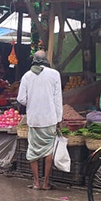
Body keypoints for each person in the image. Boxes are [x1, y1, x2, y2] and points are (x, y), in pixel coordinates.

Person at [17, 50, 63, 190]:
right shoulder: (54, 74)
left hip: (34, 119)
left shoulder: (27, 76)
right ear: (46, 60)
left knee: (33, 151)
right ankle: (46, 183)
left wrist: (33, 102)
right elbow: (57, 99)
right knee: (48, 150)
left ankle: (36, 182)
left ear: (34, 60)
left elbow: (21, 99)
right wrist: (59, 119)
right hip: (50, 118)